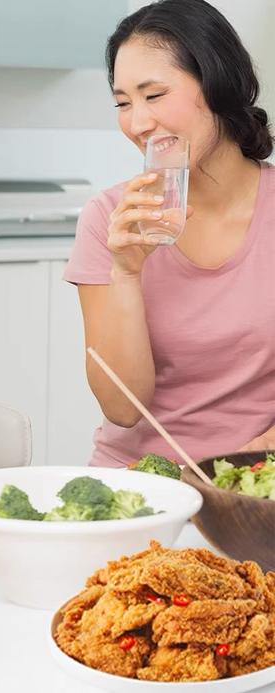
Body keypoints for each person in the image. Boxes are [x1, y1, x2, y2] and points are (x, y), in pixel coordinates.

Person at [64, 0, 275, 467]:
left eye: (153, 95)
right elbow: (122, 409)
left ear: (219, 84)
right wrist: (124, 272)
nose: (137, 124)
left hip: (257, 481)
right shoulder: (108, 218)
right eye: (122, 103)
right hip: (141, 483)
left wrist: (251, 467)